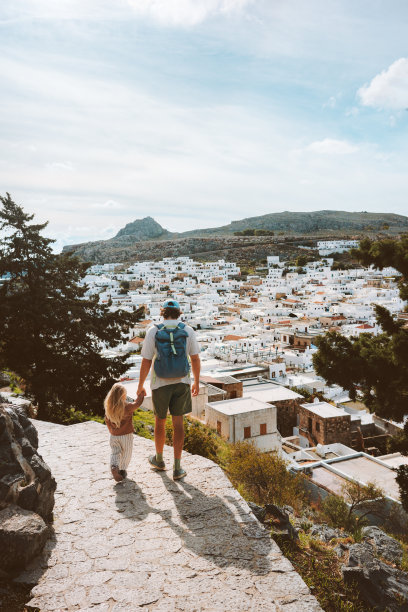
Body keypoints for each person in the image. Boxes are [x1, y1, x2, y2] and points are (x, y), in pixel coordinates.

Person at [137, 298, 200, 480]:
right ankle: (178, 467)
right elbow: (195, 359)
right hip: (182, 382)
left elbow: (146, 360)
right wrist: (196, 381)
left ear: (162, 312)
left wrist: (140, 385)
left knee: (160, 421)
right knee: (178, 424)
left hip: (160, 383)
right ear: (179, 313)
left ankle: (158, 459)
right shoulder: (188, 331)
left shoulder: (153, 331)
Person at [104, 382, 145, 482]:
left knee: (115, 452)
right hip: (126, 436)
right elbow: (137, 403)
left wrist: (112, 431)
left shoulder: (109, 408)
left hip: (113, 436)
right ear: (123, 396)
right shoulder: (127, 407)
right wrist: (141, 394)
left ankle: (114, 467)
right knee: (126, 454)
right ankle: (122, 470)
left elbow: (107, 421)